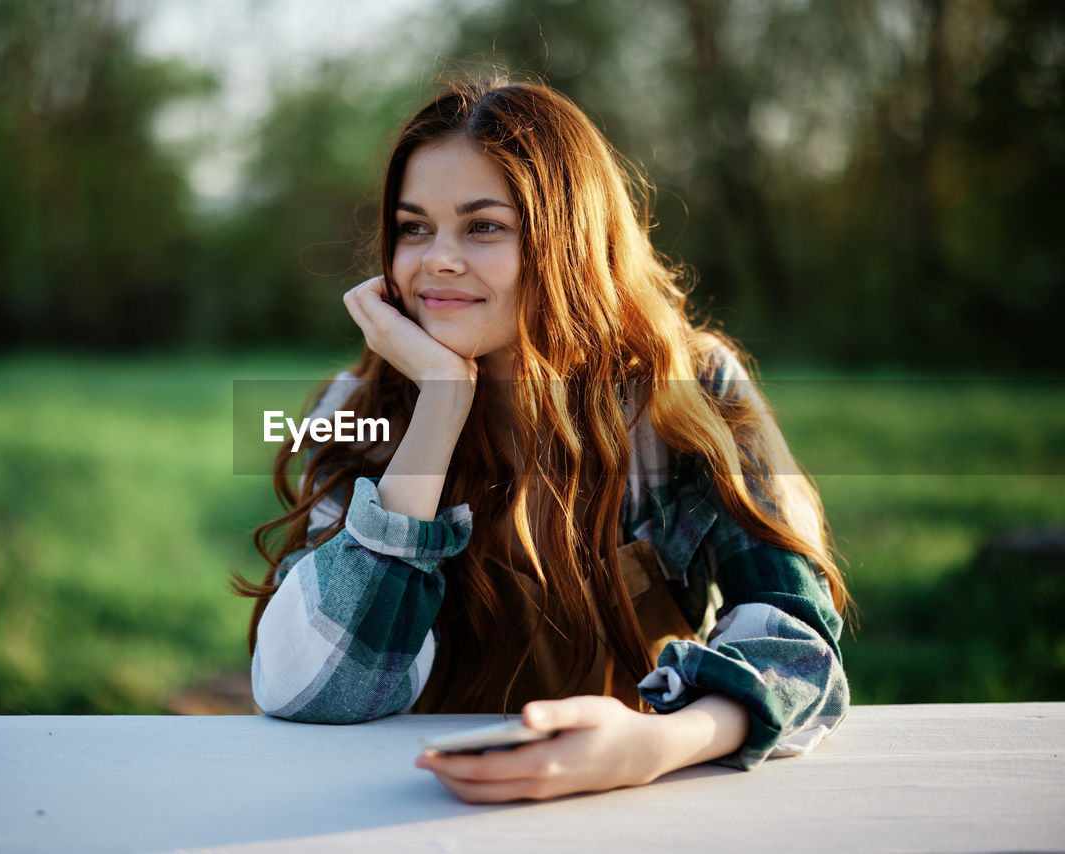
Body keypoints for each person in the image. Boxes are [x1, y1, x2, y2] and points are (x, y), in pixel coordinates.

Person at [237, 76, 850, 803]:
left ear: (570, 239)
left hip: (639, 804)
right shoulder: (361, 407)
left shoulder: (690, 394)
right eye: (413, 227)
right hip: (404, 806)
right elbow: (312, 690)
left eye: (483, 226)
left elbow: (797, 641)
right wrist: (440, 405)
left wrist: (654, 745)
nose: (437, 258)